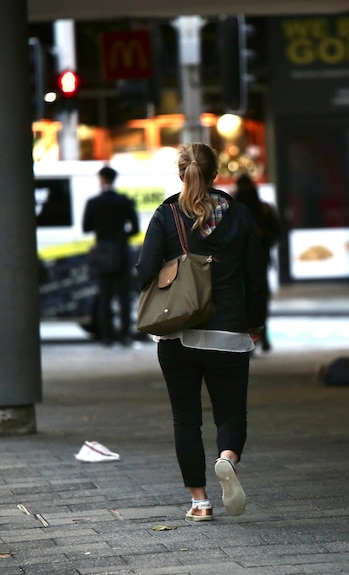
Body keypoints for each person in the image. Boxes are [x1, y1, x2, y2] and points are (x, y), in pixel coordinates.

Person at [135, 143, 266, 522]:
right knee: (230, 412)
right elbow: (255, 277)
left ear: (181, 174)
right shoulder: (240, 216)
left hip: (178, 334)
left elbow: (145, 272)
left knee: (185, 419)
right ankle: (226, 458)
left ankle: (200, 502)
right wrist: (254, 323)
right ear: (215, 173)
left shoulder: (166, 214)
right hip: (228, 333)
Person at [82, 166, 140, 346]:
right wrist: (122, 237)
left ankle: (107, 337)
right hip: (122, 251)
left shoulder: (94, 202)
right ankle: (125, 335)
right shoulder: (124, 201)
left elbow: (86, 227)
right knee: (123, 296)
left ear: (102, 179)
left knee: (105, 296)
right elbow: (135, 228)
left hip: (103, 253)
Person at [233, 174, 280, 352]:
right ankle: (260, 335)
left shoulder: (235, 210)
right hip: (256, 261)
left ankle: (259, 336)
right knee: (258, 298)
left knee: (248, 300)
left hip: (248, 261)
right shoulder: (261, 208)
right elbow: (276, 232)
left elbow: (275, 232)